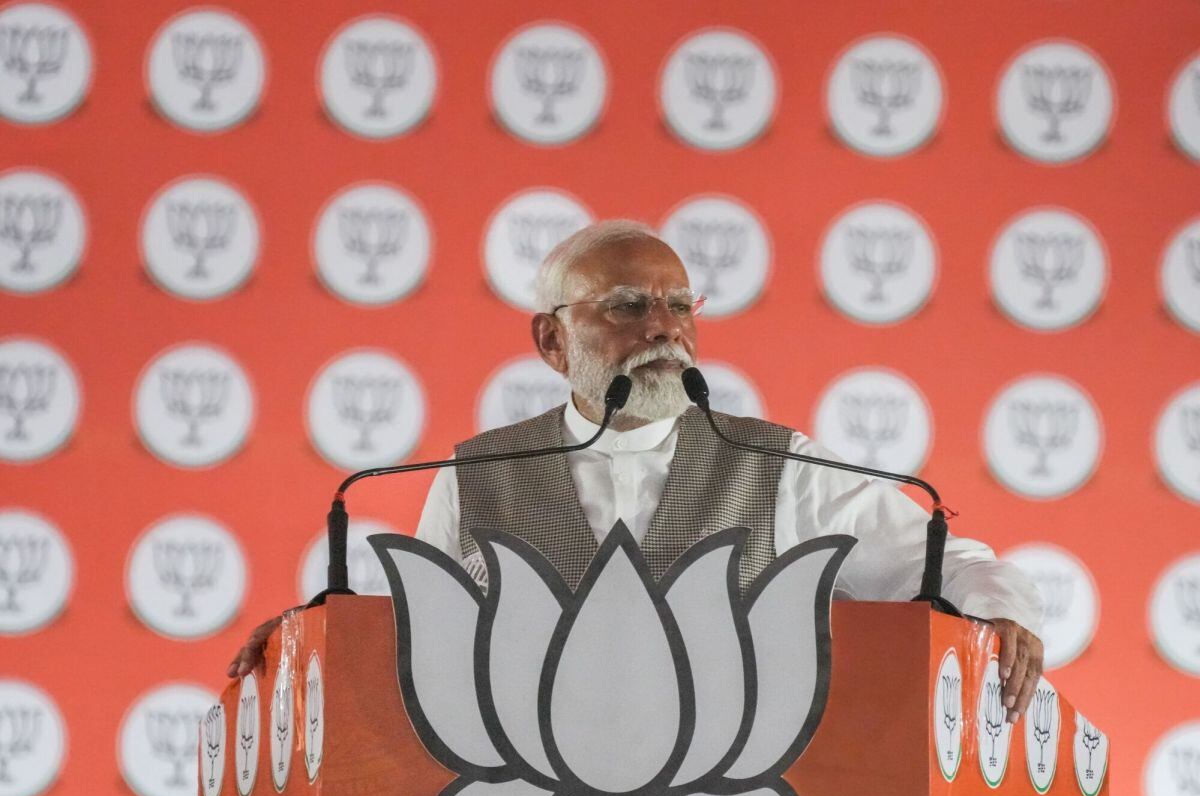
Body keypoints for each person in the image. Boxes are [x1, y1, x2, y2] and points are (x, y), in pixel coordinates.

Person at [228, 220, 1044, 724]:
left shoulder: (781, 464)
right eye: (625, 306)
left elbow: (950, 566)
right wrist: (316, 642)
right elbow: (421, 645)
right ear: (552, 341)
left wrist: (998, 615)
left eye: (679, 305)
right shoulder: (477, 474)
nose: (662, 327)